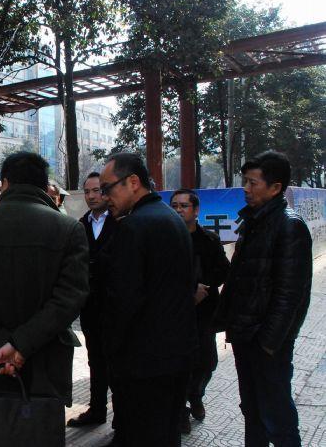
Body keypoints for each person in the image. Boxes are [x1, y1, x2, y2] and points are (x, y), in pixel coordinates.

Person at [0, 152, 89, 445]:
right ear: (44, 185)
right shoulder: (69, 229)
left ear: (6, 183)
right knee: (37, 434)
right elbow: (70, 297)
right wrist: (21, 345)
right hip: (44, 364)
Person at [99, 152, 197, 447]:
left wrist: (111, 349)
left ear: (133, 182)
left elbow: (124, 300)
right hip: (176, 354)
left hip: (143, 361)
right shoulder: (171, 218)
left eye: (107, 188)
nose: (104, 197)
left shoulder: (134, 226)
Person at [216, 151, 312, 447]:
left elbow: (289, 296)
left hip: (268, 344)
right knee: (252, 410)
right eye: (245, 181)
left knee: (277, 416)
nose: (246, 188)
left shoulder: (289, 226)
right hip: (246, 336)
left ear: (275, 187)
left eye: (253, 183)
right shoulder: (253, 221)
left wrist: (268, 344)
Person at [170, 188, 230, 434]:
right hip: (175, 313)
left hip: (204, 311)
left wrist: (204, 287)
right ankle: (181, 410)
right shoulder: (166, 239)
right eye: (174, 206)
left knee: (207, 362)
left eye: (183, 206)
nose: (178, 210)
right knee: (179, 364)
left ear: (196, 210)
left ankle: (196, 394)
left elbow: (223, 269)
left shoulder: (209, 239)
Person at [67, 172, 118, 428]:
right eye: (87, 192)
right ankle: (97, 410)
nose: (91, 196)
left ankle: (122, 417)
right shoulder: (80, 225)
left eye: (96, 190)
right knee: (95, 360)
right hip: (90, 306)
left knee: (117, 362)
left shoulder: (121, 222)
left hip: (117, 305)